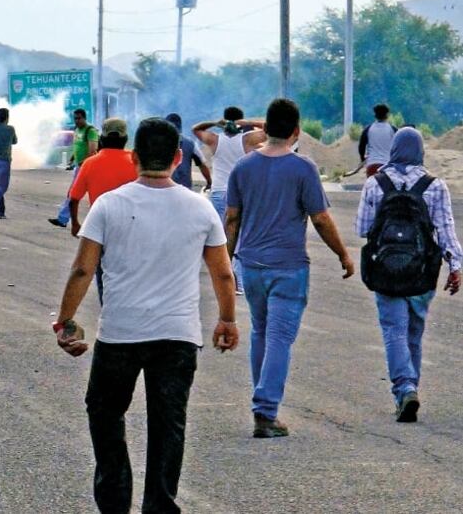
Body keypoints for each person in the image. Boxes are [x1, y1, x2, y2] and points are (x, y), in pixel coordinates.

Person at [52, 117, 239, 514]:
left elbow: (83, 270)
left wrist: (65, 320)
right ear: (176, 157)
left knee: (105, 413)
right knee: (168, 423)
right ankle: (160, 504)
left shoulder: (110, 205)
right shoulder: (200, 208)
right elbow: (223, 271)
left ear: (135, 157)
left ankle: (115, 502)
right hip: (177, 336)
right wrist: (227, 319)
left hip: (121, 334)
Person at [224, 98, 355, 438]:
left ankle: (262, 402)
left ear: (264, 129)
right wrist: (343, 254)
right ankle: (266, 411)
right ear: (297, 132)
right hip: (288, 266)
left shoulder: (243, 167)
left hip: (250, 266)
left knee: (261, 332)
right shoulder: (303, 168)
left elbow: (232, 219)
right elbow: (321, 219)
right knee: (280, 337)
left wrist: (226, 259)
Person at [354, 127, 462, 422]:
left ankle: (404, 388)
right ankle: (411, 386)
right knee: (414, 333)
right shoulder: (435, 185)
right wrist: (455, 267)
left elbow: (362, 228)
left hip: (385, 271)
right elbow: (445, 232)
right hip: (422, 272)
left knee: (394, 331)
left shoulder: (376, 183)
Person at [192, 107, 268, 295]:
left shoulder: (215, 140)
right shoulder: (249, 139)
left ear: (224, 122)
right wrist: (247, 123)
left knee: (220, 238)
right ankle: (239, 283)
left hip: (218, 193)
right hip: (242, 194)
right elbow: (270, 128)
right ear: (239, 121)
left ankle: (224, 280)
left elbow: (195, 129)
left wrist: (214, 123)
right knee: (241, 238)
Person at [66, 118, 138, 306]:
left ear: (102, 138)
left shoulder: (90, 164)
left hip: (102, 229)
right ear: (125, 138)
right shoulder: (136, 161)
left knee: (103, 274)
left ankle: (108, 309)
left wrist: (75, 223)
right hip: (134, 227)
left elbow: (74, 198)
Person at [49, 108, 98, 228]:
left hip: (87, 167)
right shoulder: (77, 130)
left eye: (79, 118)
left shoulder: (90, 131)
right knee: (73, 193)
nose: (76, 121)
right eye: (75, 118)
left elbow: (92, 150)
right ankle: (63, 219)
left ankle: (64, 219)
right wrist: (72, 159)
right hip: (79, 166)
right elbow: (77, 147)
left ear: (84, 118)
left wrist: (83, 163)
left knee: (83, 194)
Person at [165, 113, 211, 191]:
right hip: (185, 189)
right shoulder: (190, 144)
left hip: (165, 189)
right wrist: (209, 182)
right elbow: (202, 165)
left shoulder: (158, 144)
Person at [358, 103, 397, 177]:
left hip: (372, 166)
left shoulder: (368, 129)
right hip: (388, 167)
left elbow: (361, 146)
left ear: (375, 115)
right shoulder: (393, 130)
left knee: (372, 187)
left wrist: (362, 158)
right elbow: (399, 146)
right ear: (387, 115)